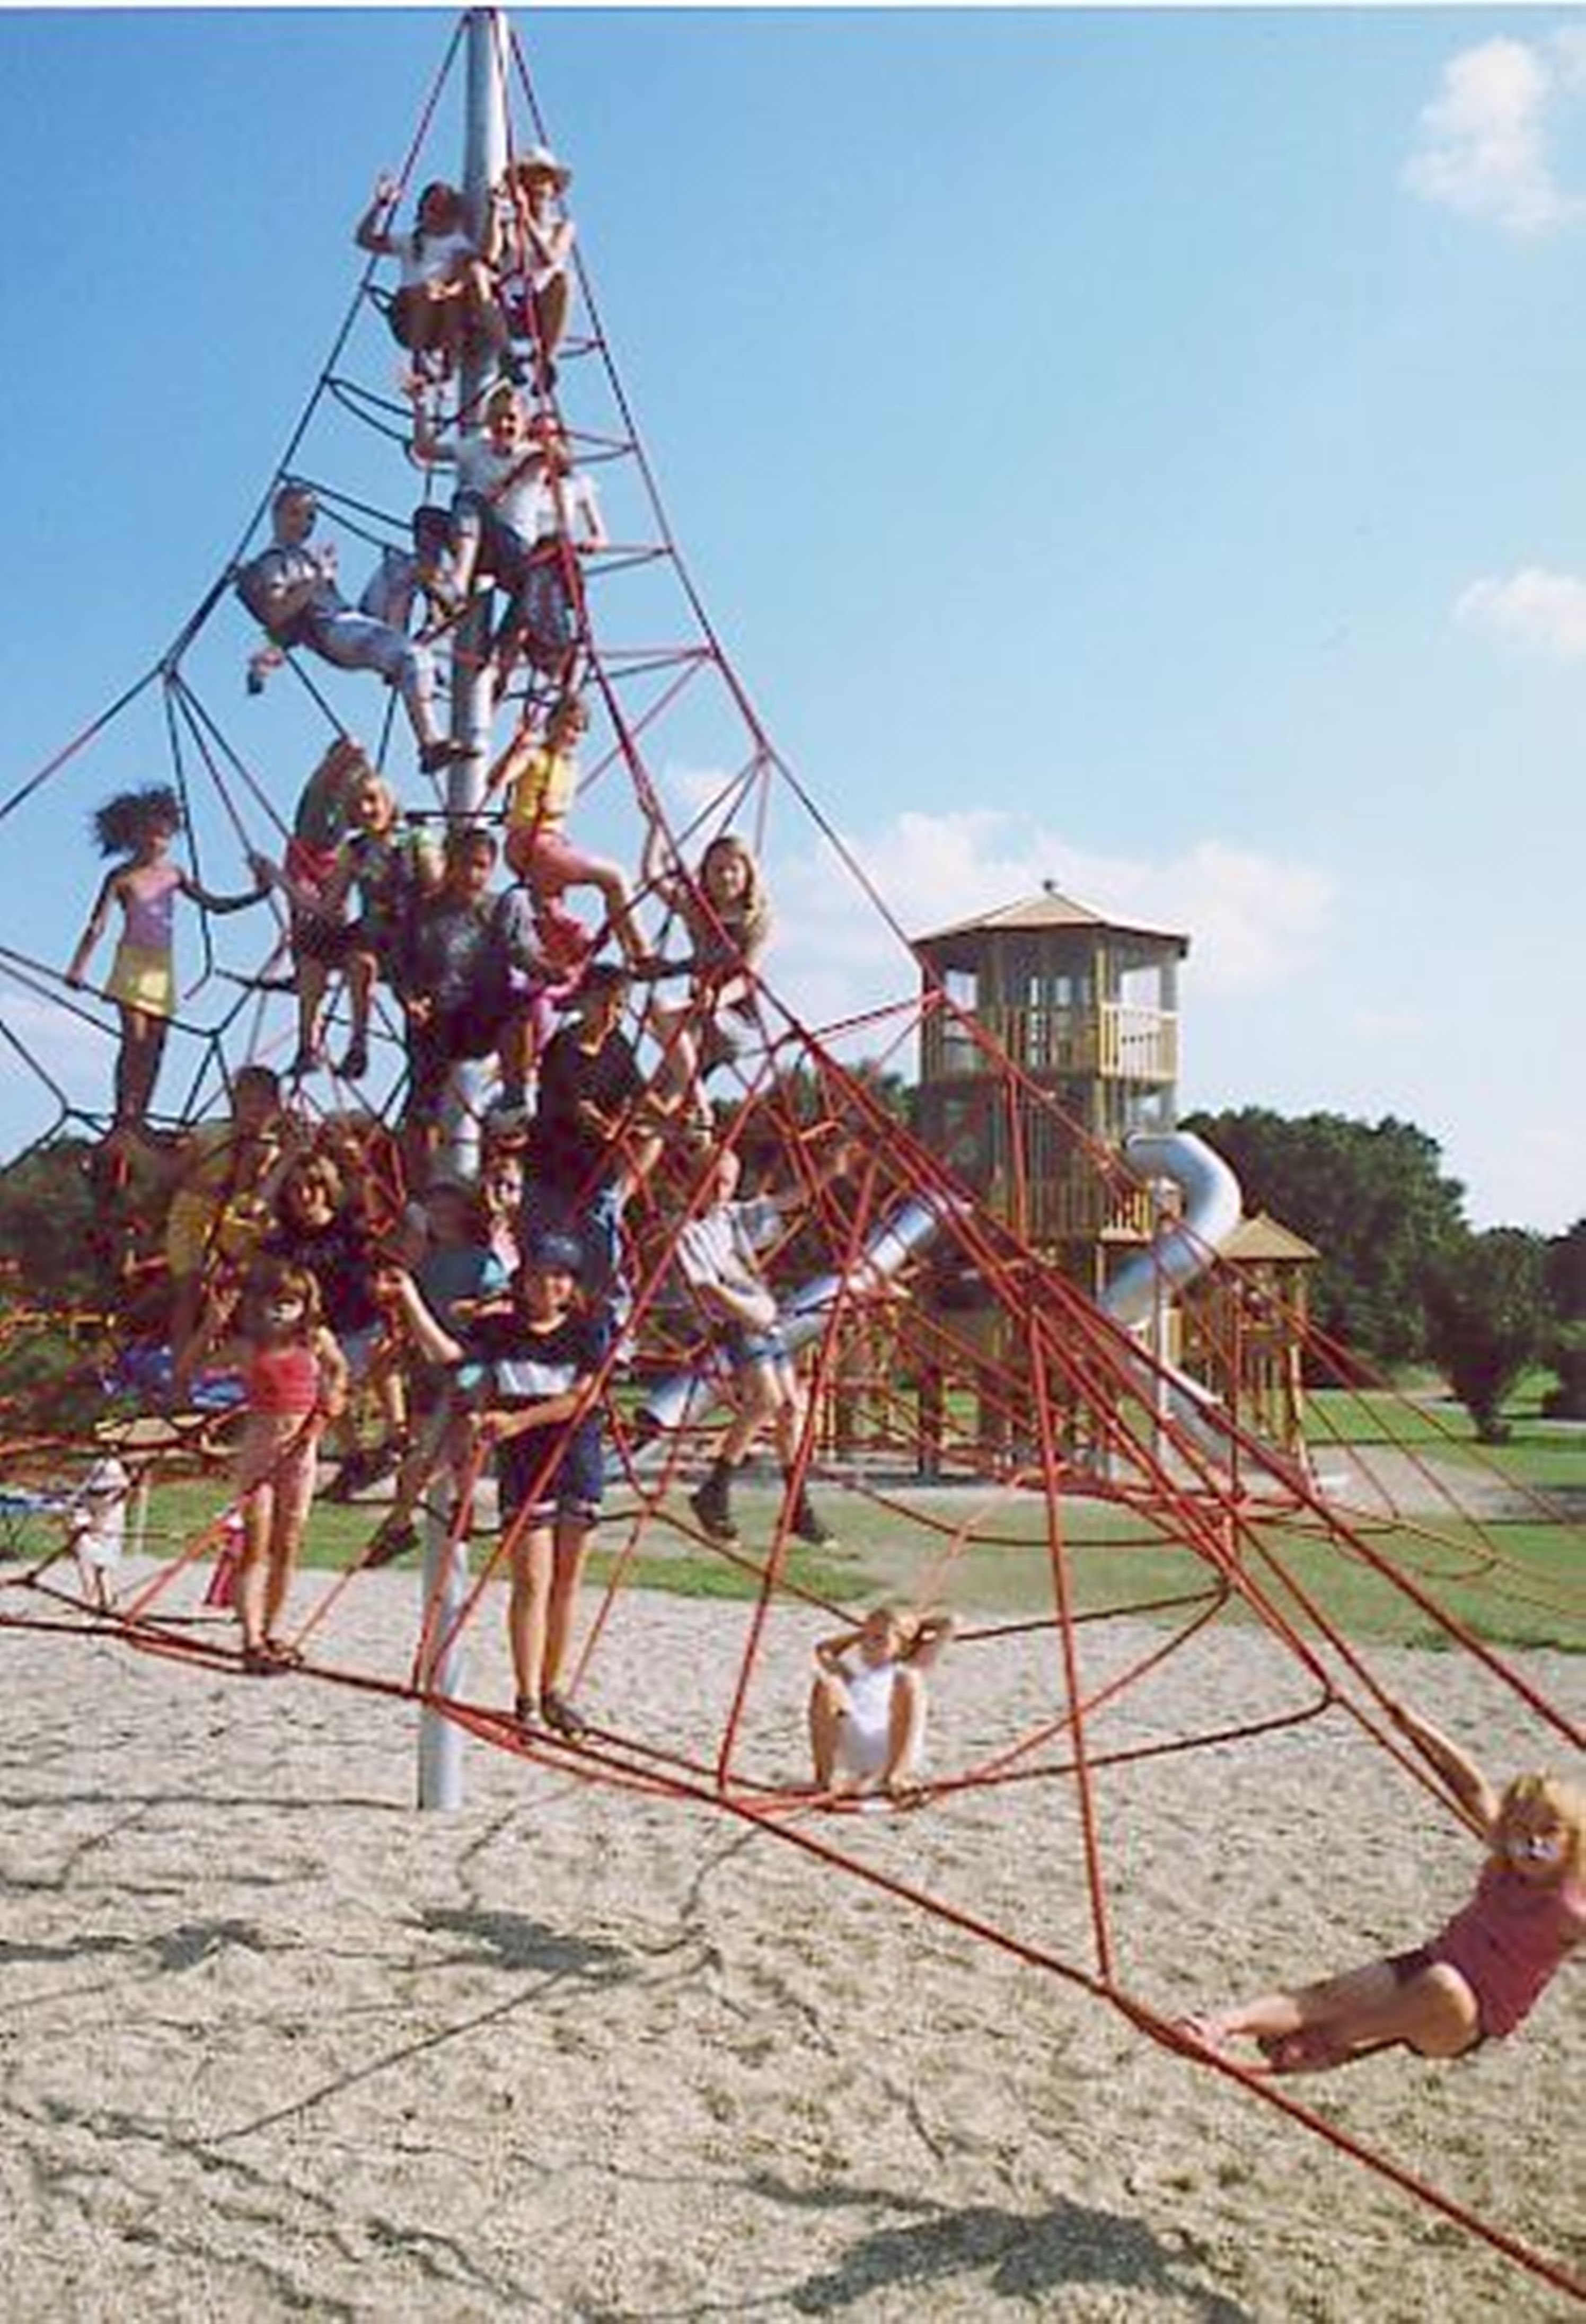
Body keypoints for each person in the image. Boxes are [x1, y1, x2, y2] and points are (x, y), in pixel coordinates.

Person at [1180, 1701, 1586, 2075]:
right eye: (1521, 1830)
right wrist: (1416, 1729)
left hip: (1465, 2019)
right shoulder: (1504, 1857)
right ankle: (1220, 2024)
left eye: (1549, 1832)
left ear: (1573, 1840)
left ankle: (1326, 2042)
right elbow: (1472, 1788)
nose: (1533, 1844)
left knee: (1442, 1985)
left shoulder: (1571, 1905)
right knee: (1331, 1993)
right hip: (1428, 1964)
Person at [382, 1228, 605, 1737]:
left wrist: (516, 1422)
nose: (548, 1285)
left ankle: (554, 1689)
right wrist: (411, 1298)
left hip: (576, 1464)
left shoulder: (589, 1331)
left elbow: (581, 1399)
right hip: (526, 1470)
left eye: (559, 1276)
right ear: (522, 1279)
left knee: (567, 1586)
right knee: (531, 1583)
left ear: (571, 1285)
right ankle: (526, 1695)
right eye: (539, 1274)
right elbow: (448, 1357)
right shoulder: (498, 1331)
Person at [178, 1256, 348, 1676]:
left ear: (306, 1305)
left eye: (290, 1302)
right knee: (256, 1543)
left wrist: (335, 1398)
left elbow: (339, 1370)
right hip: (260, 1449)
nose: (280, 1311)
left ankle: (273, 1631)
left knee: (288, 1544)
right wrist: (211, 1326)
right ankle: (251, 1636)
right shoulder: (249, 1347)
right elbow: (189, 1369)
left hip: (301, 1452)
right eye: (273, 1302)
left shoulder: (315, 1341)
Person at [66, 785, 268, 1138]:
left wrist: (257, 894)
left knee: (157, 1044)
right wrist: (79, 967)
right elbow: (97, 925)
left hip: (161, 967)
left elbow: (214, 905)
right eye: (148, 834)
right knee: (135, 1039)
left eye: (163, 835)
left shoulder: (175, 874)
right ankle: (124, 1114)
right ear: (132, 836)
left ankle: (140, 1114)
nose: (156, 842)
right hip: (131, 963)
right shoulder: (121, 877)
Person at [234, 483, 465, 774]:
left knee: (398, 564)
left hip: (352, 618)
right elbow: (275, 614)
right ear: (277, 514)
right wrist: (316, 581)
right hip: (332, 632)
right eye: (295, 514)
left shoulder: (306, 557)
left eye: (310, 518)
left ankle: (446, 601)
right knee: (413, 656)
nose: (303, 524)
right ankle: (430, 743)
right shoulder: (274, 562)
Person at [678, 1144, 834, 1549]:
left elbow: (784, 1201)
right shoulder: (686, 1230)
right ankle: (714, 1491)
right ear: (692, 1179)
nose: (717, 1190)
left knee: (788, 1409)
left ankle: (797, 1507)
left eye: (725, 1182)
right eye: (709, 1180)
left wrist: (829, 1172)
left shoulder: (729, 1217)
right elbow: (705, 1288)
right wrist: (750, 1316)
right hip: (737, 1323)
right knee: (764, 1400)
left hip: (764, 1320)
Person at [398, 824, 557, 1179]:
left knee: (519, 1006)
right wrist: (411, 1000)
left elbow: (524, 952)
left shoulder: (502, 907)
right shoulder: (422, 914)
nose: (472, 875)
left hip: (484, 1010)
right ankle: (421, 1189)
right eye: (464, 864)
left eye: (481, 866)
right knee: (421, 1109)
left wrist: (549, 970)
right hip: (436, 1018)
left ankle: (515, 1098)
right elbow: (403, 968)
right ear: (448, 864)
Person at [366, 1176, 506, 1568]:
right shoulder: (422, 1257)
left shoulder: (481, 1259)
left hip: (467, 1357)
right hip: (426, 1358)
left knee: (457, 1442)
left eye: (449, 1208)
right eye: (434, 1209)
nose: (441, 1216)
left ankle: (456, 1508)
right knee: (424, 1446)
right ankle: (403, 1519)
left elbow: (499, 1302)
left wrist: (478, 1311)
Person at [521, 961, 671, 1326]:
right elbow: (580, 1109)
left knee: (603, 1251)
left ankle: (612, 1328)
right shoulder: (562, 1048)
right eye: (604, 1003)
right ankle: (538, 1324)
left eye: (620, 1006)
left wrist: (671, 1119)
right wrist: (617, 1128)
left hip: (596, 1171)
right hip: (552, 1172)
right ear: (583, 1001)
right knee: (547, 1254)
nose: (611, 1013)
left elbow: (639, 1092)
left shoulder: (617, 1045)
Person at [262, 1150, 403, 1499]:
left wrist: (357, 1161)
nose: (305, 1196)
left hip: (364, 1323)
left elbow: (382, 1231)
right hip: (321, 1333)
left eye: (314, 1187)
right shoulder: (284, 1240)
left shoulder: (348, 1229)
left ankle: (397, 1436)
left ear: (328, 1189)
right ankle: (354, 1457)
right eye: (295, 1189)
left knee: (381, 1355)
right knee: (324, 1377)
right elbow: (256, 1212)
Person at [486, 692, 648, 970]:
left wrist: (553, 806)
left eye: (577, 729)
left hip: (552, 845)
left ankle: (580, 961)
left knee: (553, 918)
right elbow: (497, 780)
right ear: (551, 724)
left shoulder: (570, 766)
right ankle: (642, 952)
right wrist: (517, 746)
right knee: (615, 877)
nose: (569, 733)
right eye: (565, 724)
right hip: (532, 844)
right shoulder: (534, 755)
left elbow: (560, 805)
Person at [163, 1063, 290, 1359]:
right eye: (248, 1102)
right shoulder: (209, 1133)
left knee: (252, 1280)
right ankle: (181, 1362)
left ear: (277, 1109)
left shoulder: (271, 1149)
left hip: (236, 1219)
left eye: (265, 1104)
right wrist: (203, 1185)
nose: (255, 1111)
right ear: (234, 1103)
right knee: (189, 1287)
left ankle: (243, 1353)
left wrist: (285, 1155)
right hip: (193, 1216)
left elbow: (259, 1197)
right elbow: (176, 1175)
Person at [642, 829, 772, 1117]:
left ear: (747, 873)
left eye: (733, 870)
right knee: (661, 1101)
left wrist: (717, 999)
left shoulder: (756, 918)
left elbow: (748, 978)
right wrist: (655, 829)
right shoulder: (699, 913)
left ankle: (699, 1101)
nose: (726, 877)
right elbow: (653, 876)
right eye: (717, 870)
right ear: (706, 874)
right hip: (696, 1022)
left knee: (664, 1016)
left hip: (733, 1022)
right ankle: (698, 1123)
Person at [355, 174, 509, 377]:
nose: (437, 216)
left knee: (453, 292)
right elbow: (364, 239)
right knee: (428, 290)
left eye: (444, 210)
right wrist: (380, 205)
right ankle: (419, 360)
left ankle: (450, 360)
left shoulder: (459, 244)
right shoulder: (410, 242)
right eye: (432, 209)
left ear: (454, 215)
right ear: (422, 213)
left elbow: (489, 255)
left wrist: (494, 209)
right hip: (409, 316)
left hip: (444, 315)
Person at [808, 1606, 956, 1800]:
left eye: (880, 1639)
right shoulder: (853, 1677)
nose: (869, 1645)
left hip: (893, 1746)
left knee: (908, 1679)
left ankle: (895, 1776)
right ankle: (824, 1779)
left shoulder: (908, 1667)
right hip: (857, 1747)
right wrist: (864, 1633)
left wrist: (912, 1623)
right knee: (826, 1684)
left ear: (902, 1646)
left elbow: (949, 1623)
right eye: (866, 1639)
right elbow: (824, 1650)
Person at [496, 145, 576, 386]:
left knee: (564, 280)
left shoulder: (562, 227)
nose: (536, 187)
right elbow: (490, 256)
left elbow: (549, 258)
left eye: (543, 180)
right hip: (508, 310)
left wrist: (526, 221)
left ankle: (547, 359)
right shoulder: (505, 224)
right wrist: (499, 213)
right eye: (529, 180)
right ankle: (506, 354)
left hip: (542, 309)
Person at [63, 1450, 134, 1615]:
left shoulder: (116, 1489)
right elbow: (83, 1500)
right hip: (93, 1520)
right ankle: (91, 1596)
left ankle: (104, 1598)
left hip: (109, 1524)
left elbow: (109, 1503)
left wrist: (99, 1518)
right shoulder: (101, 1470)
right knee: (85, 1554)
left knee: (104, 1560)